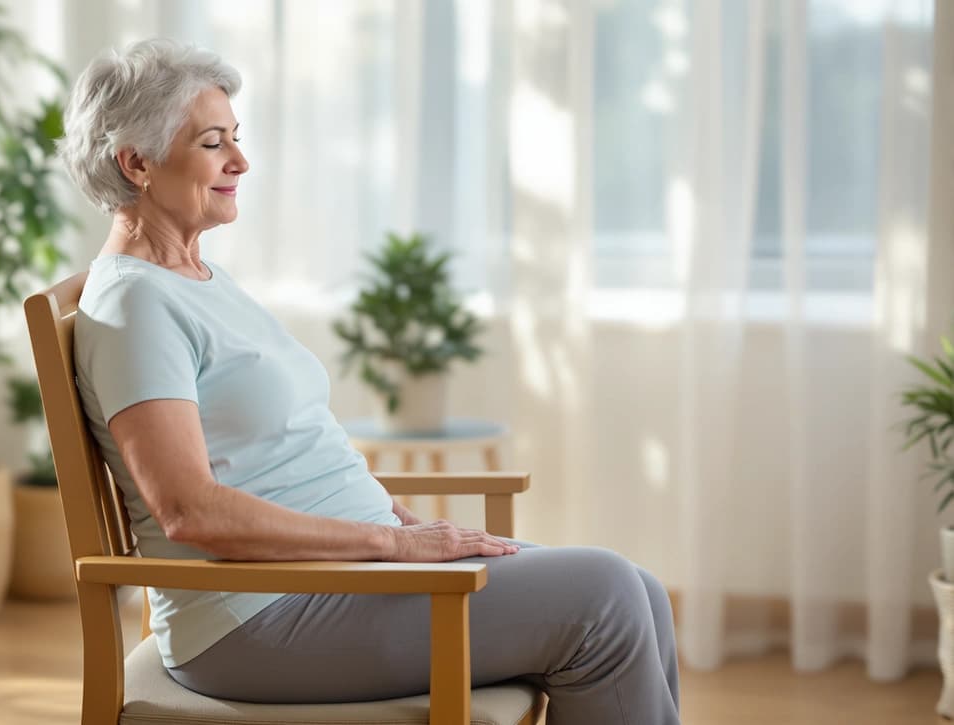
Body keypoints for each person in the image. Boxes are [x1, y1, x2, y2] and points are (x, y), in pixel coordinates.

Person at [58, 38, 681, 724]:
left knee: (640, 590)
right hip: (257, 618)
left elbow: (279, 453)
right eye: (214, 143)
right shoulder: (135, 306)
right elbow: (190, 511)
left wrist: (391, 517)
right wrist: (391, 542)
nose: (241, 161)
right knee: (608, 596)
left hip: (337, 577)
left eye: (237, 137)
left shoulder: (193, 276)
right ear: (136, 162)